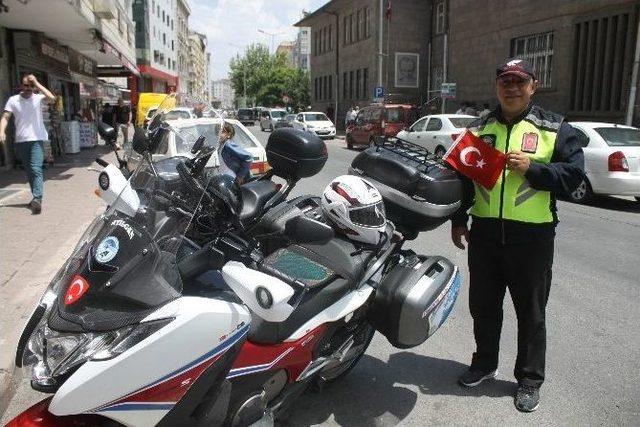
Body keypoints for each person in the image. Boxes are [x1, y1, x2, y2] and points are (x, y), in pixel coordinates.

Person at [451, 58, 584, 413]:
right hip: (485, 236)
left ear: (533, 86)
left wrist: (534, 170)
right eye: (505, 82)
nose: (511, 88)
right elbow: (463, 178)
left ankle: (528, 379)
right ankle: (483, 365)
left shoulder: (555, 128)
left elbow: (573, 177)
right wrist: (458, 218)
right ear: (497, 87)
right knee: (483, 307)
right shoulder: (479, 127)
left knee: (531, 313)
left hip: (533, 239)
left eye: (519, 82)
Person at [0, 74, 55, 214]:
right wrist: (2, 131)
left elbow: (52, 98)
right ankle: (35, 198)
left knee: (36, 168)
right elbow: (5, 117)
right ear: (21, 86)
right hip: (21, 140)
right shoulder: (13, 100)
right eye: (26, 85)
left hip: (36, 139)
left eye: (31, 86)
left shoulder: (37, 98)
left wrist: (37, 83)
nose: (29, 88)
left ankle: (37, 199)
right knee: (29, 170)